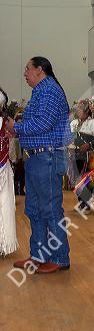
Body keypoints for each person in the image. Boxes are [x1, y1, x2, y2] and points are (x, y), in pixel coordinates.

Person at [6, 56, 72, 273]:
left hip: (47, 158)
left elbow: (43, 123)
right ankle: (38, 256)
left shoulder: (50, 91)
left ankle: (60, 258)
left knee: (50, 209)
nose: (25, 73)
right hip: (38, 158)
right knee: (34, 209)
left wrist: (17, 125)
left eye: (28, 69)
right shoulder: (41, 91)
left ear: (40, 70)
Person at [69, 99, 94, 211]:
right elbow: (68, 138)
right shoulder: (73, 124)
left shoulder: (93, 123)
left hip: (88, 155)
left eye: (80, 109)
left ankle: (85, 203)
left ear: (86, 111)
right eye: (77, 109)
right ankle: (81, 201)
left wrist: (89, 144)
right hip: (75, 155)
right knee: (76, 179)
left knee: (87, 179)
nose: (78, 111)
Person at [0, 88, 18, 256]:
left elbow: (10, 145)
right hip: (3, 166)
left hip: (3, 168)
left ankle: (3, 243)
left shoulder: (6, 122)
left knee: (4, 205)